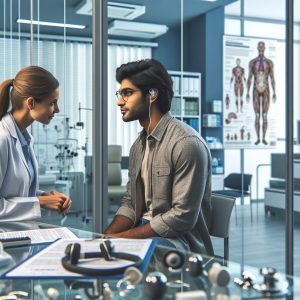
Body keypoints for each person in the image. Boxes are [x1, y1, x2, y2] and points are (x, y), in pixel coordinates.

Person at [104, 59, 213, 255]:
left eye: (127, 93)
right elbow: (131, 203)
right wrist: (104, 237)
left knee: (117, 256)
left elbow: (181, 217)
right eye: (119, 94)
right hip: (145, 230)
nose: (120, 101)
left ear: (152, 95)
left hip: (180, 242)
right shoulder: (139, 145)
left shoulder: (186, 143)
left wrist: (121, 239)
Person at [0, 66, 72, 222]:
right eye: (52, 103)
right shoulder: (2, 138)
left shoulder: (25, 138)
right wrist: (39, 202)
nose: (57, 109)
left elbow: (17, 194)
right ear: (31, 103)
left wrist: (46, 198)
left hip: (20, 233)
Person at [246, 41, 276, 145]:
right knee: (257, 115)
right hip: (255, 90)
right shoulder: (253, 62)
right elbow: (249, 78)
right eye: (260, 49)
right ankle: (258, 138)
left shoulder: (269, 63)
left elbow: (272, 78)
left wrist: (274, 92)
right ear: (257, 49)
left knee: (264, 115)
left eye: (262, 49)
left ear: (265, 49)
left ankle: (263, 138)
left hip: (266, 90)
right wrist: (247, 92)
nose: (261, 51)